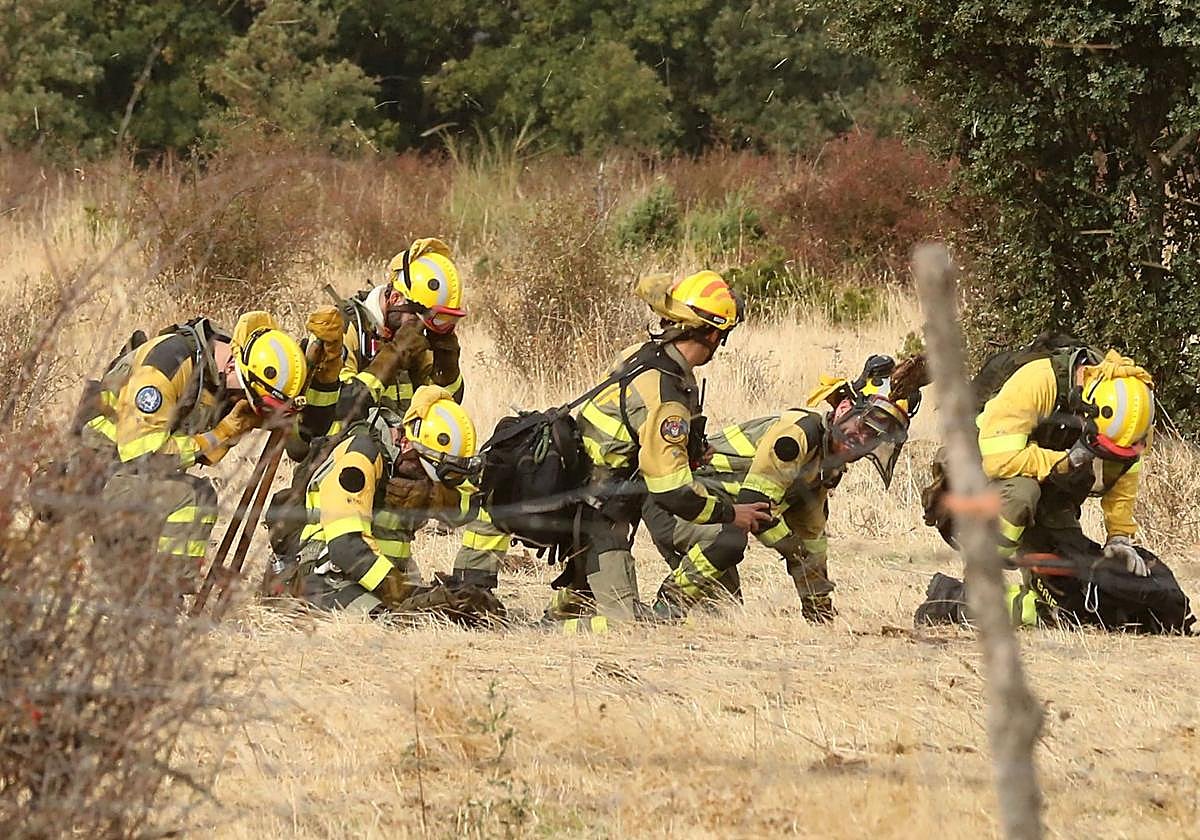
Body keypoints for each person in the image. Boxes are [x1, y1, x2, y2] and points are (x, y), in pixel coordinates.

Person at [918, 340, 1194, 633]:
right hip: (975, 481)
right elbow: (997, 460)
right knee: (1023, 493)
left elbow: (1127, 472)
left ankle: (961, 604)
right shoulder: (1038, 381)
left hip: (1046, 496)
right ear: (1086, 407)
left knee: (1071, 598)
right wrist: (1065, 460)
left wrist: (1119, 538)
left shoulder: (1132, 420)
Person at [646, 355, 924, 622]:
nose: (862, 439)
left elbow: (812, 543)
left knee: (724, 616)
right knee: (730, 542)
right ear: (843, 408)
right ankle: (666, 605)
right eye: (864, 426)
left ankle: (659, 619)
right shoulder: (798, 436)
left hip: (714, 517)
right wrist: (791, 547)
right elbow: (755, 509)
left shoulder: (825, 467)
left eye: (875, 436)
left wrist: (820, 613)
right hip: (677, 505)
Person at [76, 311, 307, 592]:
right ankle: (163, 593)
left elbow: (298, 437)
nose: (241, 403)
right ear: (235, 366)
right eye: (245, 396)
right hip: (93, 475)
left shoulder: (220, 369)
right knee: (193, 497)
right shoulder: (166, 366)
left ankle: (145, 588)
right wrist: (219, 434)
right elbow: (142, 454)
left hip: (132, 478)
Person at [272, 386, 496, 619]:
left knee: (451, 615)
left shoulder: (419, 458)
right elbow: (346, 546)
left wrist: (432, 497)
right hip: (328, 581)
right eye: (426, 472)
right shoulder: (360, 457)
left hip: (382, 579)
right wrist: (403, 592)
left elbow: (470, 508)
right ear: (407, 444)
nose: (425, 479)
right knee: (395, 623)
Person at [295, 237, 466, 454]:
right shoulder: (343, 329)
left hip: (400, 455)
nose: (422, 328)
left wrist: (446, 358)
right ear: (395, 298)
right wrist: (393, 355)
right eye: (418, 318)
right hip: (343, 458)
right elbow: (339, 411)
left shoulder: (415, 336)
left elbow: (446, 404)